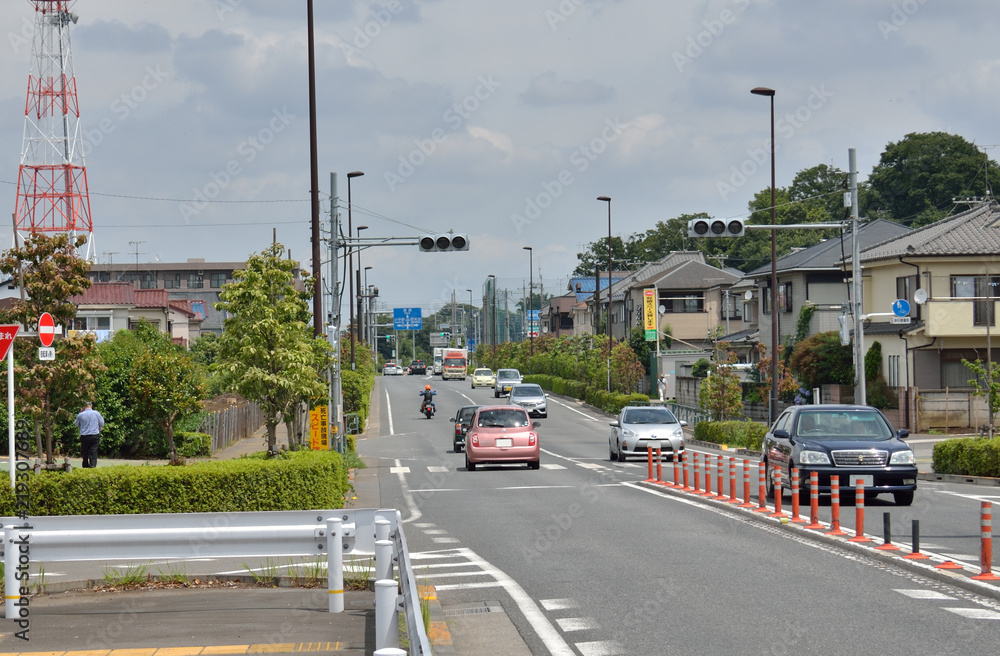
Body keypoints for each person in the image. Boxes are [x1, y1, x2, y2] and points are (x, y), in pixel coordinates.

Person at [74, 401, 105, 468]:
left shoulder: (80, 415)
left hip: (84, 435)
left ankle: (85, 465)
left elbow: (76, 424)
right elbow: (102, 423)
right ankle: (92, 465)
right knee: (93, 451)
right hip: (94, 434)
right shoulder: (96, 413)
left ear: (84, 406)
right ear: (91, 405)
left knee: (85, 451)